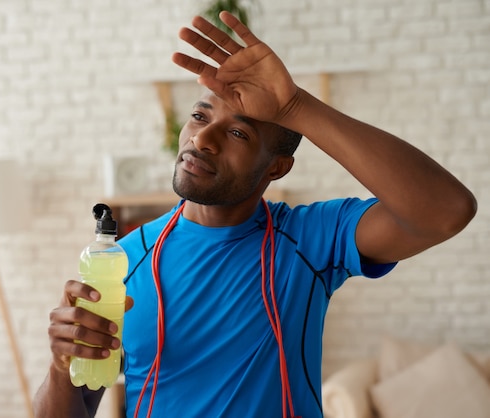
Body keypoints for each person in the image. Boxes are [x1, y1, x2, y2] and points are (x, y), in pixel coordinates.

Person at [33, 11, 476, 418]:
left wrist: (295, 108)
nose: (202, 139)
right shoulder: (122, 261)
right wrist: (60, 367)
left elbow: (446, 211)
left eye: (239, 132)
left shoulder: (312, 239)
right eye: (197, 116)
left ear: (277, 167)